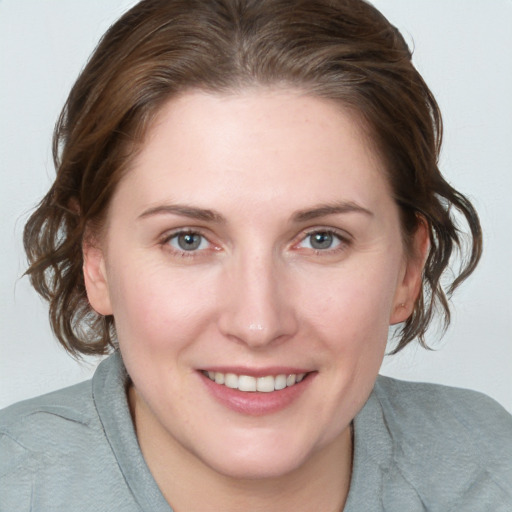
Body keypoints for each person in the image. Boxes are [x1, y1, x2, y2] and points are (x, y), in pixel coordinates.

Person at [1, 0, 511, 510]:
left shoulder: (493, 469)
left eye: (321, 239)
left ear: (407, 269)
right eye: (188, 240)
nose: (258, 324)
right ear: (97, 262)